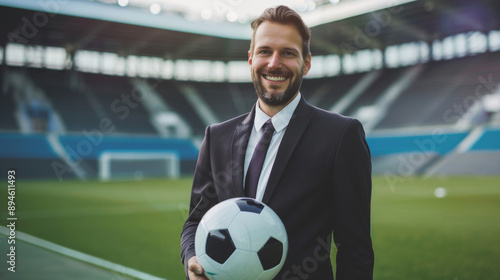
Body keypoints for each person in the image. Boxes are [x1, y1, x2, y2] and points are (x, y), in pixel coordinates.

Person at [181, 5, 374, 280]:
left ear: (306, 62)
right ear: (250, 59)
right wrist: (192, 258)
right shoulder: (217, 137)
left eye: (287, 53)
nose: (274, 63)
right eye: (264, 51)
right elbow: (195, 221)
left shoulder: (341, 136)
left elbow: (355, 248)